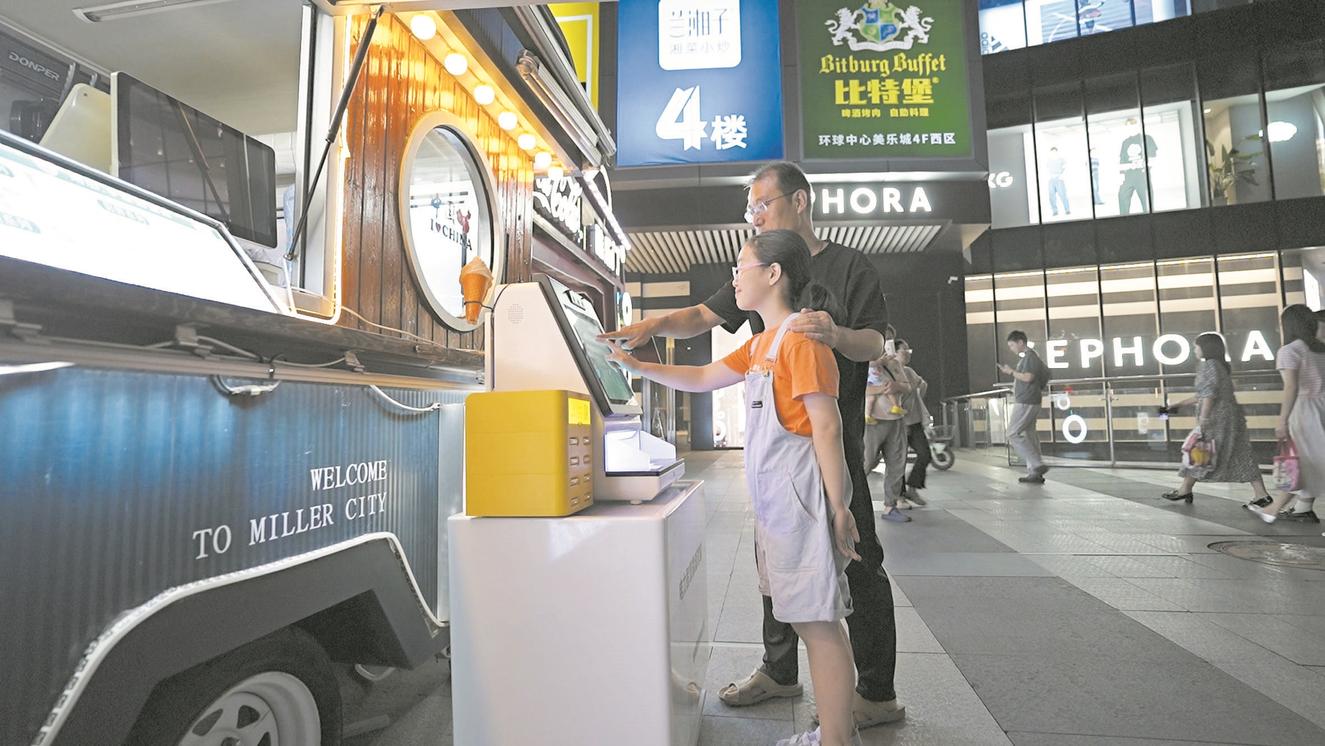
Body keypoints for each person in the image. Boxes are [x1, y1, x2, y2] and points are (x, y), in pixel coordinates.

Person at [599, 161, 904, 729]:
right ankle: (781, 672)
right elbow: (704, 341)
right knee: (782, 575)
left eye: (762, 204)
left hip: (823, 455)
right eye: (750, 209)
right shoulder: (763, 330)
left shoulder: (838, 280)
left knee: (846, 575)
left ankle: (872, 696)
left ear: (799, 200)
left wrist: (834, 334)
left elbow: (869, 349)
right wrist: (647, 338)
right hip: (780, 477)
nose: (754, 216)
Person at [1159, 333, 1272, 505]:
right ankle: (1261, 494)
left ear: (1206, 347)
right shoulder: (1220, 366)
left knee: (1200, 450)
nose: (1194, 350)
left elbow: (1208, 395)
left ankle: (1185, 489)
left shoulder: (1209, 365)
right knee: (1241, 453)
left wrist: (1203, 419)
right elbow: (1203, 394)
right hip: (1232, 417)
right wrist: (1178, 404)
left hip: (1216, 419)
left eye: (1196, 346)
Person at [1248, 305, 1325, 525]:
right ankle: (1280, 508)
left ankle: (1274, 509)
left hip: (1305, 410)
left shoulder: (1289, 351)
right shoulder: (1320, 349)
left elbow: (1291, 387)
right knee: (1309, 461)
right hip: (1322, 406)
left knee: (1303, 461)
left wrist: (1282, 420)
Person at [864, 328, 913, 523]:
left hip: (896, 419)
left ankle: (890, 506)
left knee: (897, 463)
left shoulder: (894, 363)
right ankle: (847, 501)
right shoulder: (862, 360)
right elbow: (857, 390)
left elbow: (907, 386)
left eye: (890, 339)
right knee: (866, 462)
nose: (887, 342)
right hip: (872, 421)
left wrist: (896, 386)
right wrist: (880, 389)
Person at [999, 331, 1051, 484]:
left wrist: (1011, 372)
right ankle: (1035, 473)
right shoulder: (1030, 357)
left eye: (1012, 345)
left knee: (1012, 433)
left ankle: (1037, 464)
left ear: (1020, 342)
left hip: (1026, 400)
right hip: (1031, 399)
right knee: (1029, 434)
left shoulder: (1030, 357)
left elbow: (1028, 377)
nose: (1011, 348)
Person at [895, 339, 932, 503]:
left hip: (914, 421)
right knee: (899, 460)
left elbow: (922, 387)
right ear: (894, 352)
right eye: (904, 350)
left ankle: (912, 488)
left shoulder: (909, 371)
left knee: (925, 455)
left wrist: (919, 388)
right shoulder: (890, 371)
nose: (907, 353)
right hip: (898, 423)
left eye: (908, 350)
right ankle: (899, 495)